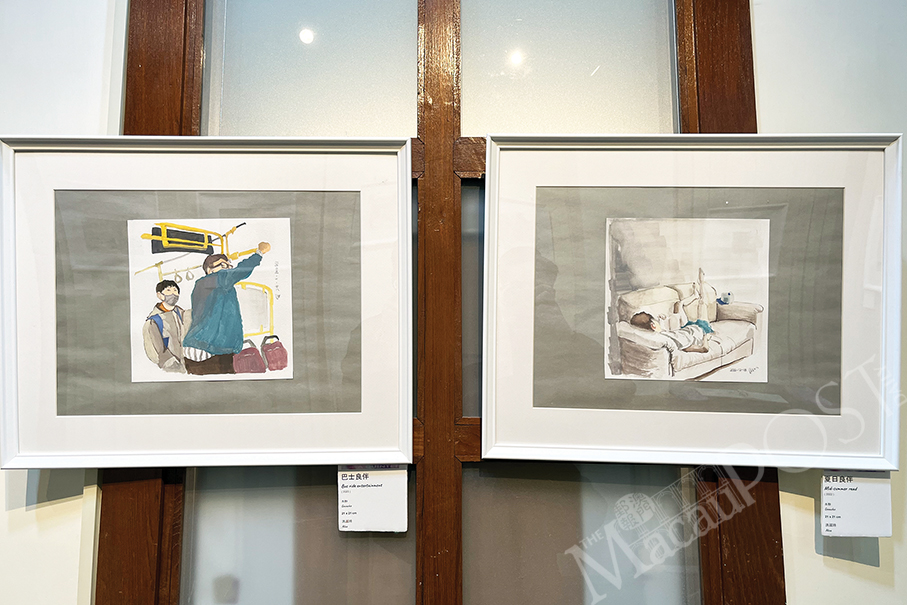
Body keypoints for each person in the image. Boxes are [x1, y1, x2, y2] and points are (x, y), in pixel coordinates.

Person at [182, 242, 271, 375]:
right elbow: (237, 273)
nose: (228, 269)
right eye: (223, 265)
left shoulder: (223, 287)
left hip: (220, 350)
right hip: (203, 351)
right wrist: (259, 254)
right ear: (209, 270)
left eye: (229, 266)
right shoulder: (206, 282)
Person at [142, 279, 191, 373]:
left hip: (188, 364)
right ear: (159, 295)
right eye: (168, 290)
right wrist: (173, 366)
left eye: (175, 290)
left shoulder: (182, 314)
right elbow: (156, 350)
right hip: (171, 368)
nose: (173, 294)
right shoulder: (154, 321)